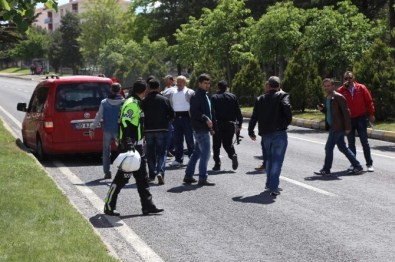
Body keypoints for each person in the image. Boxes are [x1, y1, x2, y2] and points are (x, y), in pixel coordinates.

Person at [103, 79, 164, 216]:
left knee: (143, 178)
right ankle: (108, 205)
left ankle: (148, 206)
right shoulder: (131, 104)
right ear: (144, 90)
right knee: (122, 178)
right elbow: (125, 123)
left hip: (138, 146)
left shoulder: (136, 102)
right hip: (130, 147)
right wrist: (129, 142)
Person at [248, 76, 292, 196]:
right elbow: (287, 108)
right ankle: (273, 186)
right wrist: (286, 122)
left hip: (266, 134)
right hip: (279, 133)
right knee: (277, 160)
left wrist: (250, 131)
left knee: (269, 159)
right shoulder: (283, 96)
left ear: (268, 86)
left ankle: (269, 183)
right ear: (278, 86)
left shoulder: (260, 99)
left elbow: (254, 117)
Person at [315, 78, 364, 176]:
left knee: (328, 147)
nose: (327, 88)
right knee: (342, 147)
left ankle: (326, 169)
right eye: (325, 86)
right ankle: (357, 166)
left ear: (333, 86)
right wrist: (322, 109)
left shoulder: (338, 97)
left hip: (337, 127)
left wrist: (348, 127)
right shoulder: (329, 97)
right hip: (333, 126)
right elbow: (331, 112)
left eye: (329, 85)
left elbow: (346, 113)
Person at [337, 71, 375, 172]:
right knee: (351, 143)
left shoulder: (361, 88)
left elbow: (369, 101)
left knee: (364, 142)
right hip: (349, 120)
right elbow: (337, 103)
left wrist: (371, 114)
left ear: (353, 78)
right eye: (346, 78)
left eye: (349, 78)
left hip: (361, 118)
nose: (348, 80)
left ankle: (369, 164)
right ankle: (354, 163)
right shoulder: (341, 90)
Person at [183, 73, 216, 186]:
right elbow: (195, 112)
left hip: (204, 128)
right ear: (199, 84)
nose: (207, 85)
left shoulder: (205, 95)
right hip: (200, 128)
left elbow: (209, 112)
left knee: (197, 153)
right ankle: (202, 177)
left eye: (208, 83)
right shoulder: (197, 96)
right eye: (205, 83)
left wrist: (211, 127)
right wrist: (206, 119)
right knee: (205, 154)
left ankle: (188, 176)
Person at [141, 79, 174, 185]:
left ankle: (152, 175)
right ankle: (160, 172)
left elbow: (140, 116)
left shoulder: (144, 101)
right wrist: (166, 121)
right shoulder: (164, 100)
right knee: (162, 152)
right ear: (159, 87)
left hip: (148, 130)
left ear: (148, 88)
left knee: (150, 154)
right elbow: (172, 115)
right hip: (162, 129)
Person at [90, 83, 124, 179]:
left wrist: (92, 127)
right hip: (119, 130)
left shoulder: (104, 102)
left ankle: (107, 172)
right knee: (121, 151)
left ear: (111, 90)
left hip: (107, 130)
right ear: (120, 89)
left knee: (106, 151)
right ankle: (120, 171)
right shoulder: (124, 102)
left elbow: (98, 116)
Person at [210, 80, 243, 171]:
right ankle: (233, 155)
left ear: (218, 87)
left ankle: (217, 164)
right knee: (228, 144)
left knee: (216, 145)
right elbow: (238, 111)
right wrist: (239, 123)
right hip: (230, 124)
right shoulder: (233, 96)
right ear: (226, 87)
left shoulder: (214, 97)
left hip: (218, 124)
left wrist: (210, 125)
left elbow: (211, 112)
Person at [163, 75, 195, 167]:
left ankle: (191, 158)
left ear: (185, 83)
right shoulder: (171, 92)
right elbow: (164, 96)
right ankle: (178, 159)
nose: (179, 83)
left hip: (187, 118)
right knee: (177, 140)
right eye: (178, 82)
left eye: (181, 82)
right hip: (176, 119)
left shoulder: (190, 92)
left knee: (189, 139)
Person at [162, 75, 176, 158]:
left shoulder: (174, 89)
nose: (166, 82)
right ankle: (168, 150)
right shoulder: (166, 90)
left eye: (167, 80)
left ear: (171, 80)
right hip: (168, 114)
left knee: (173, 133)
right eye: (165, 80)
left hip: (174, 112)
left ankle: (171, 149)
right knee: (170, 133)